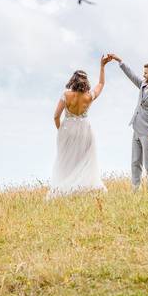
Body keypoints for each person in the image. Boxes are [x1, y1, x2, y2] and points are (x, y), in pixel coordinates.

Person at [46, 55, 113, 198]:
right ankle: (82, 189)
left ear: (73, 80)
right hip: (85, 130)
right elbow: (101, 84)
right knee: (84, 159)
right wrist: (102, 67)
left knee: (66, 159)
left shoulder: (66, 95)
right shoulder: (89, 96)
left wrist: (61, 130)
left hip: (67, 129)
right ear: (86, 81)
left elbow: (56, 116)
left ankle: (64, 190)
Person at [107, 54, 148, 190]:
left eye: (145, 73)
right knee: (135, 161)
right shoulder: (143, 84)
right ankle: (135, 189)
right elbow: (131, 75)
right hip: (136, 128)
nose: (143, 74)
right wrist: (120, 61)